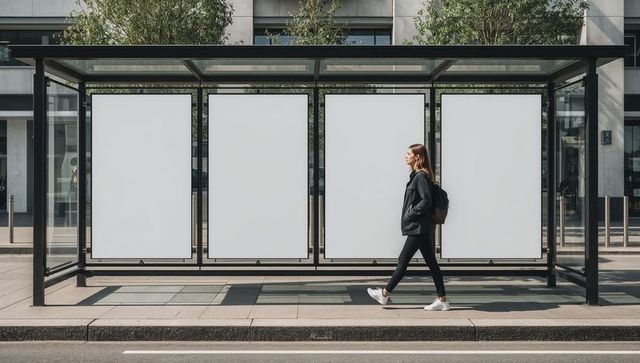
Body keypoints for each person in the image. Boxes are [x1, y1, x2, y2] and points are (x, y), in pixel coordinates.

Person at [367, 144, 449, 311]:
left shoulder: (420, 176)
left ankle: (384, 293)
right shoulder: (420, 176)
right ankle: (443, 300)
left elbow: (426, 201)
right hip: (423, 227)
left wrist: (410, 215)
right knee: (432, 264)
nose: (405, 156)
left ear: (417, 157)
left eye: (408, 154)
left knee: (403, 261)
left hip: (418, 227)